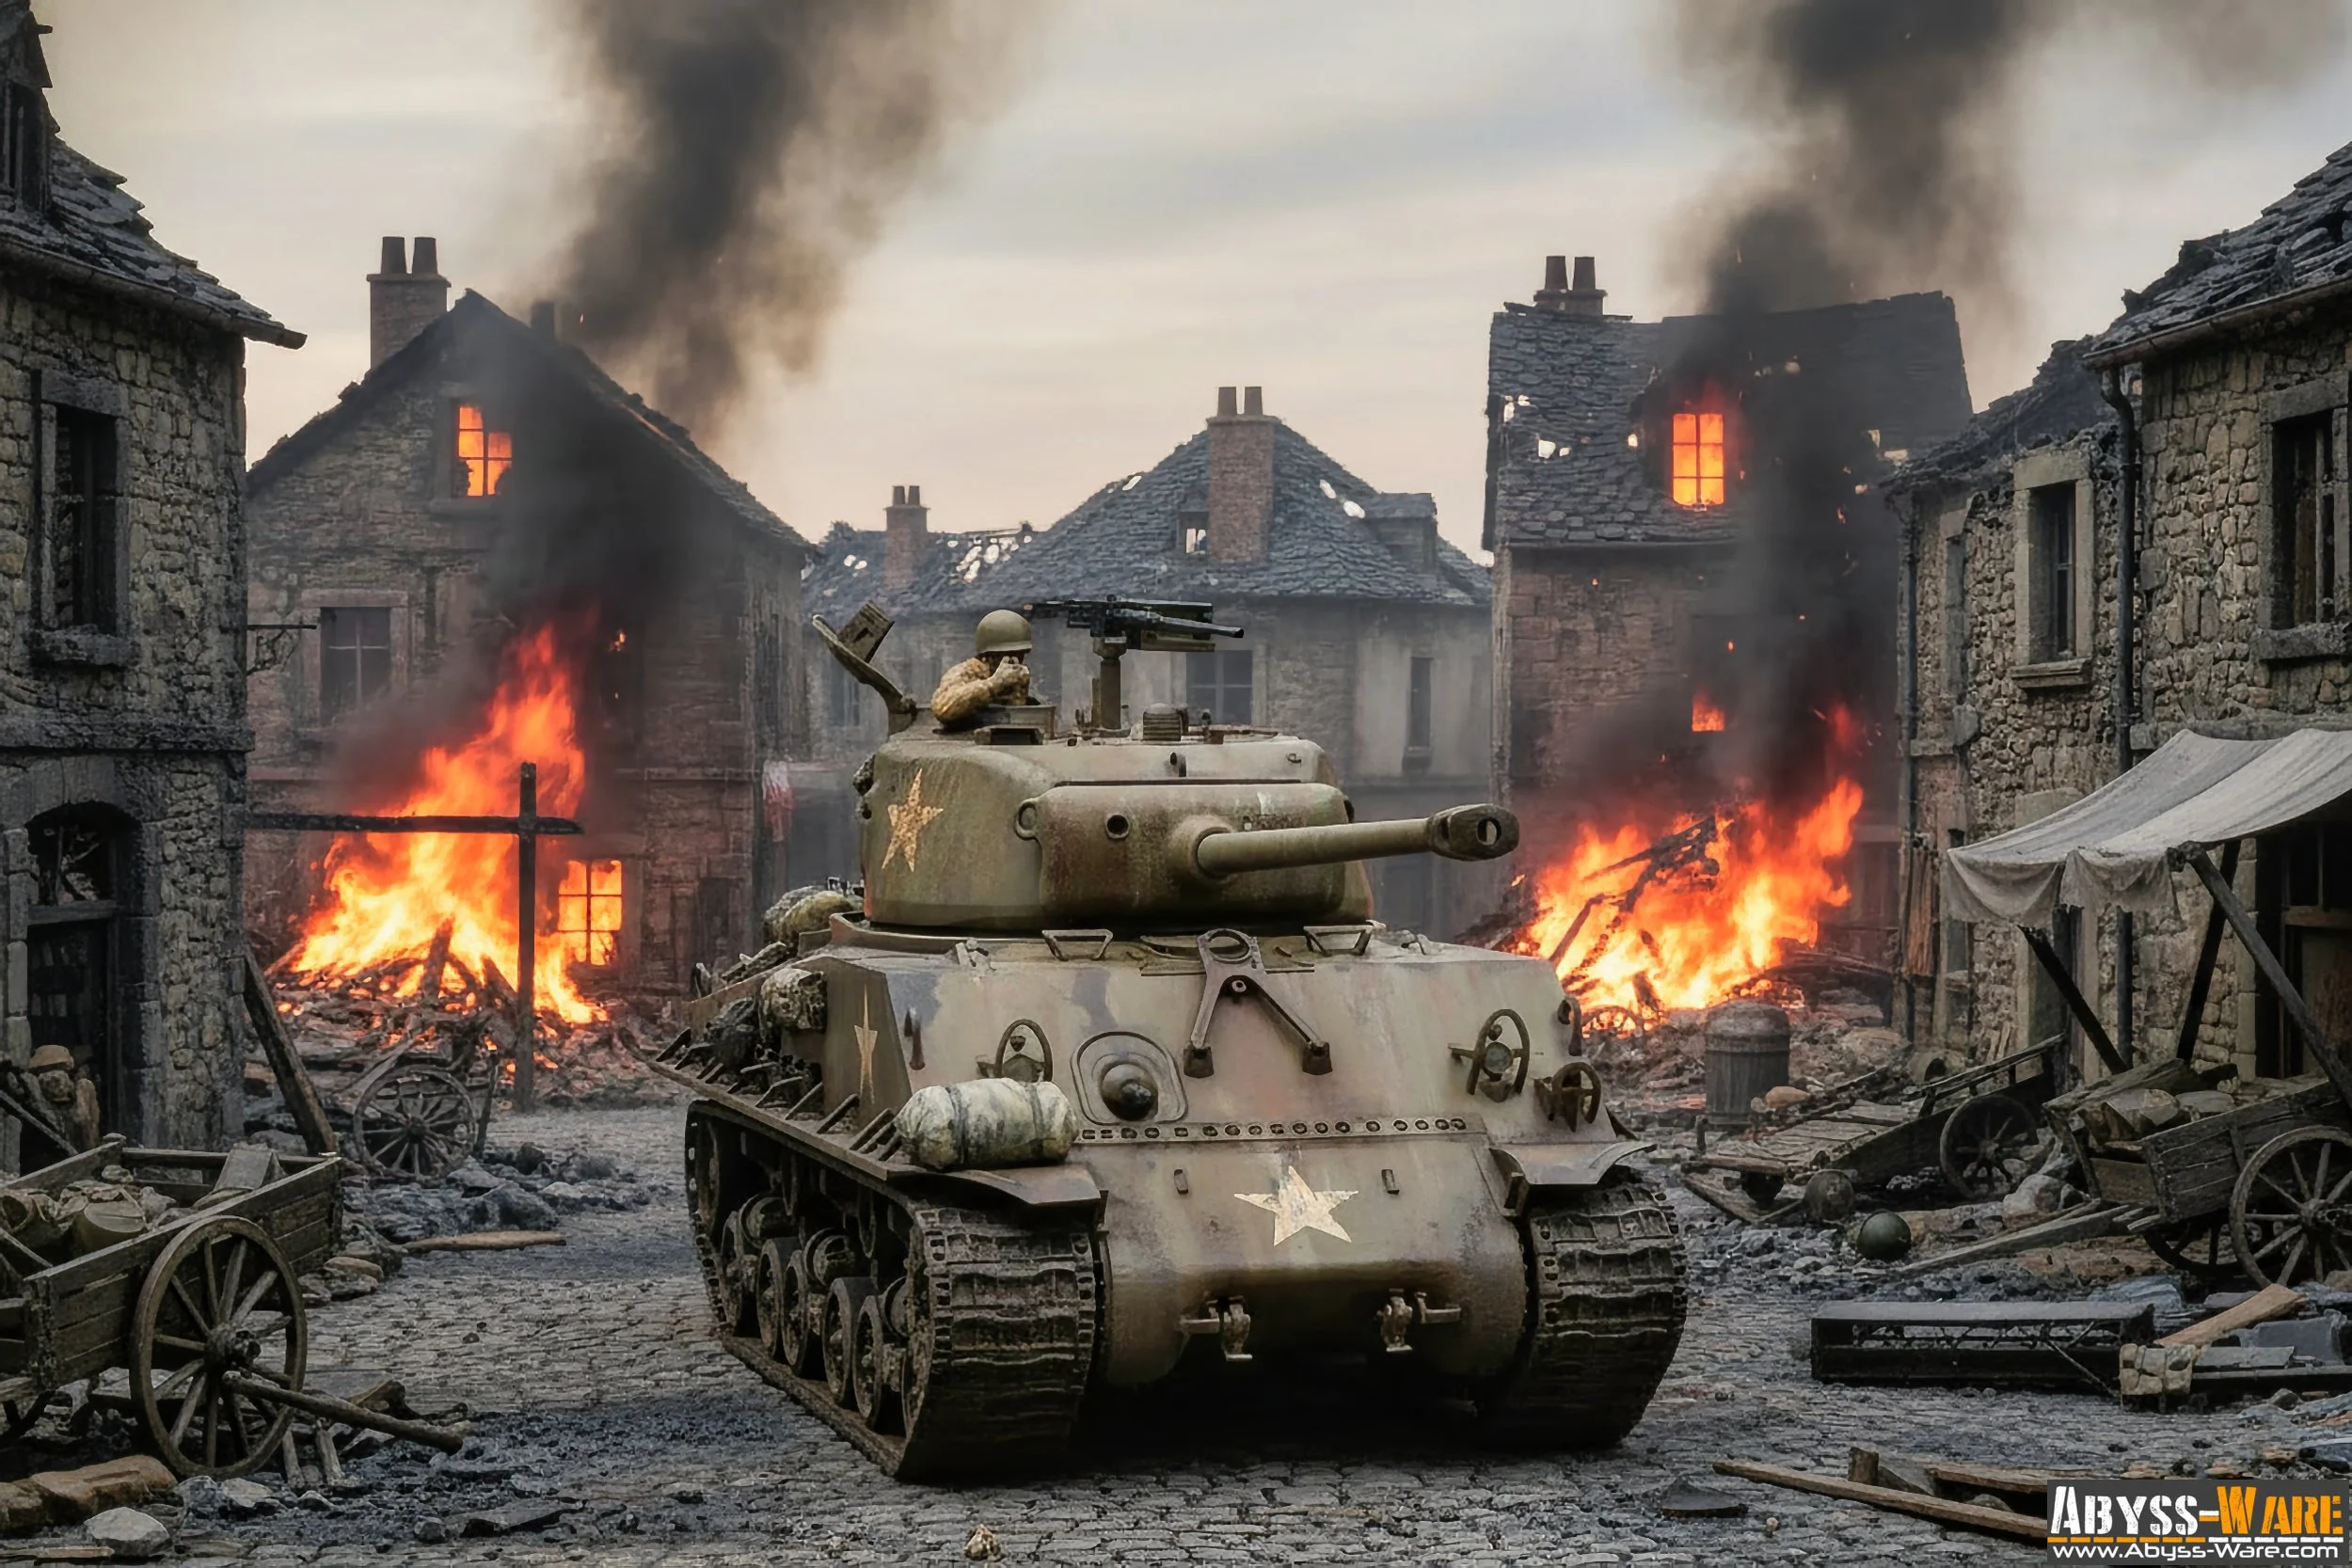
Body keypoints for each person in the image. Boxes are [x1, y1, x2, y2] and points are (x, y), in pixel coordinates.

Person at [931, 610, 1034, 729]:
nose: (1015, 660)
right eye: (1007, 654)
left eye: (1020, 655)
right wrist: (993, 684)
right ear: (990, 655)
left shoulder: (1014, 676)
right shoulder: (964, 672)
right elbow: (942, 708)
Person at [28, 1045, 101, 1151]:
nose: (55, 1077)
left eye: (58, 1069)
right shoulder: (34, 1089)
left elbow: (88, 1127)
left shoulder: (83, 1089)